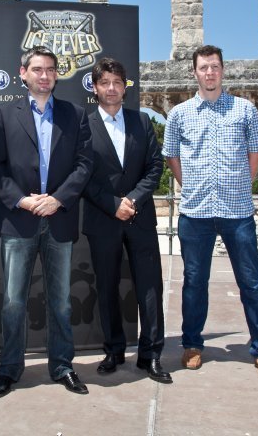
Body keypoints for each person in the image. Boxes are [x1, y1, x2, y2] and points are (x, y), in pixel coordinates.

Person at [162, 44, 258, 381]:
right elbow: (171, 155)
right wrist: (190, 184)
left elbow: (257, 151)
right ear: (194, 72)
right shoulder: (179, 114)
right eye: (203, 67)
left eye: (214, 66)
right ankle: (192, 344)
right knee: (194, 282)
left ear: (223, 70)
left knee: (251, 281)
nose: (209, 72)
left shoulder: (244, 109)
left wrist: (242, 181)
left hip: (237, 210)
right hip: (196, 211)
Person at [0, 46, 93, 397]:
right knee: (13, 302)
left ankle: (62, 366)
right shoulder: (4, 115)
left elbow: (84, 165)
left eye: (49, 69)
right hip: (19, 220)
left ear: (56, 74)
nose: (44, 75)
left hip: (59, 218)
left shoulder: (75, 115)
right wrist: (23, 200)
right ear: (23, 73)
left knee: (61, 302)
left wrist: (58, 199)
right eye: (37, 69)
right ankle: (9, 369)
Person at [82, 58, 171, 384]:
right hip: (102, 219)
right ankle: (114, 350)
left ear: (124, 87)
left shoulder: (142, 121)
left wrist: (131, 200)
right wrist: (112, 204)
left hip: (139, 217)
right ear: (95, 87)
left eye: (117, 83)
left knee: (150, 287)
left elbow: (155, 167)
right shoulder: (83, 125)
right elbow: (81, 173)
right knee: (106, 287)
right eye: (105, 82)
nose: (111, 88)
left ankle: (151, 355)